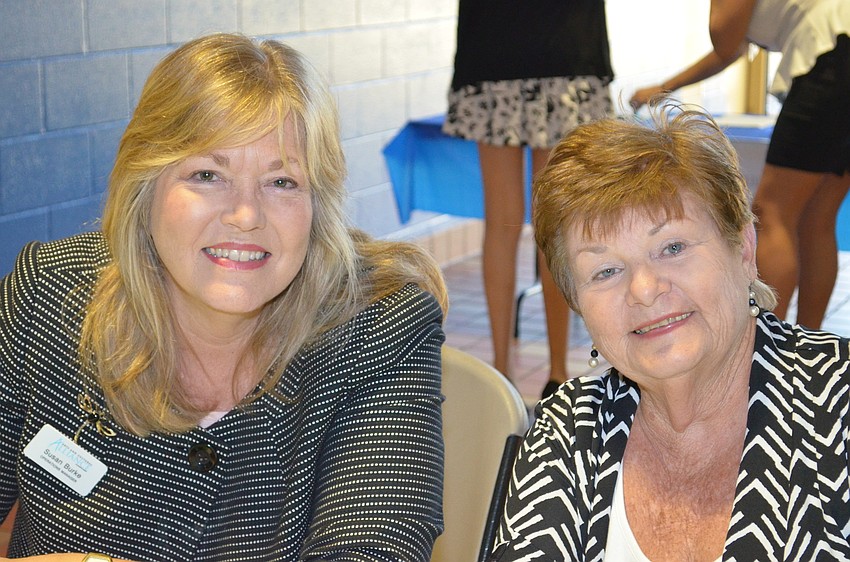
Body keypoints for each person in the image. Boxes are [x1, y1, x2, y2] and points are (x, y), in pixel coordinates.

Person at [0, 33, 448, 562]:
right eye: (207, 175)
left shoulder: (381, 330)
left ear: (317, 206)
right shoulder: (49, 295)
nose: (245, 215)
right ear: (145, 189)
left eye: (281, 182)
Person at [489, 104, 850, 560]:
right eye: (605, 271)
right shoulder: (567, 426)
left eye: (672, 247)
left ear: (743, 249)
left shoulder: (838, 403)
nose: (643, 289)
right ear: (577, 303)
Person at [630, 0, 850, 330]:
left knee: (773, 214)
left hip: (831, 56)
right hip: (839, 48)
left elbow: (724, 41)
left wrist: (664, 89)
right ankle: (808, 345)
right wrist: (664, 89)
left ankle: (769, 346)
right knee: (817, 219)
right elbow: (731, 48)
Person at [443, 0, 614, 397]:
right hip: (566, 51)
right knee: (554, 222)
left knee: (507, 222)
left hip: (495, 52)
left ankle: (504, 370)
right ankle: (556, 372)